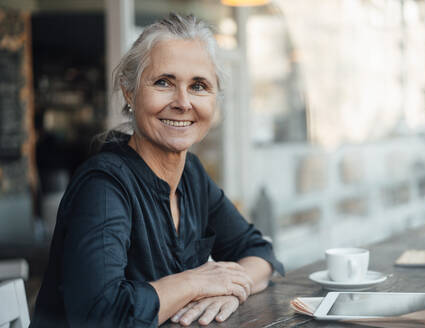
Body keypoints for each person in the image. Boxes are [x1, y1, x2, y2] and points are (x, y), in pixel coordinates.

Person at [30, 13, 283, 328]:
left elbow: (259, 252)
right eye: (164, 82)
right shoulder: (104, 186)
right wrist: (196, 282)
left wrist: (231, 289)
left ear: (214, 100)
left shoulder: (191, 174)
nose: (182, 102)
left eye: (199, 86)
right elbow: (101, 315)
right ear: (129, 92)